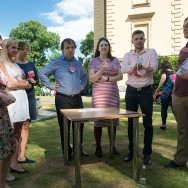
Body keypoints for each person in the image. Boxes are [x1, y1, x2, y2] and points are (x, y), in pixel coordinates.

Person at [39, 38, 88, 160]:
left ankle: (78, 149)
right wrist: (50, 86)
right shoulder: (56, 62)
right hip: (62, 99)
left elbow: (85, 75)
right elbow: (42, 73)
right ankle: (67, 152)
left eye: (72, 47)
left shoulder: (77, 63)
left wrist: (82, 85)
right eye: (67, 47)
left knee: (79, 125)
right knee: (64, 126)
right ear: (62, 50)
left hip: (77, 98)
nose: (70, 50)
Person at [121, 30, 158, 165]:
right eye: (136, 39)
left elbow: (153, 68)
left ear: (145, 39)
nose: (139, 41)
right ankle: (132, 151)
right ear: (132, 41)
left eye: (141, 38)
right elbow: (124, 69)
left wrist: (140, 66)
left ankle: (147, 153)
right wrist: (136, 66)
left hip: (146, 92)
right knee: (131, 123)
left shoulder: (151, 52)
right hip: (131, 92)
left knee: (147, 123)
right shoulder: (127, 55)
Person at [88, 37, 123, 158]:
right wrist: (102, 70)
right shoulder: (93, 61)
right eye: (101, 45)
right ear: (98, 48)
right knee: (98, 121)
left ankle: (112, 145)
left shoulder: (115, 61)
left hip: (112, 94)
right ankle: (98, 146)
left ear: (109, 48)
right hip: (99, 95)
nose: (103, 47)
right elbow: (92, 79)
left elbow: (120, 76)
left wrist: (108, 79)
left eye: (106, 45)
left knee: (112, 121)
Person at [1, 38, 31, 174]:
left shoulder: (15, 64)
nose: (15, 50)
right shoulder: (2, 64)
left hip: (21, 100)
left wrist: (24, 83)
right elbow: (10, 84)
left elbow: (21, 79)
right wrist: (24, 84)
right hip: (12, 100)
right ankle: (5, 171)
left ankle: (14, 163)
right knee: (11, 134)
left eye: (16, 48)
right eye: (13, 47)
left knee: (18, 133)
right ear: (6, 48)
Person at [165, 17, 188, 168]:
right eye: (183, 26)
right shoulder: (184, 48)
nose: (184, 28)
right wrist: (174, 91)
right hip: (179, 95)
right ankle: (180, 160)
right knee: (182, 130)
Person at [17, 41, 39, 163]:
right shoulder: (13, 65)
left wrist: (33, 81)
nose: (25, 51)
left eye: (27, 49)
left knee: (26, 124)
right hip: (19, 96)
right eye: (23, 49)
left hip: (30, 96)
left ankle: (22, 156)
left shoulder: (31, 64)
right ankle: (14, 157)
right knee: (17, 125)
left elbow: (37, 80)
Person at [0, 35, 16, 188]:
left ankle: (2, 182)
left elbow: (7, 84)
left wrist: (7, 95)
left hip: (3, 112)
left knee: (9, 147)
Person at [154, 61, 176, 130]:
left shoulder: (164, 72)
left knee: (164, 109)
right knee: (174, 109)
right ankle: (180, 124)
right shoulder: (174, 73)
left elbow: (163, 78)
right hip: (173, 93)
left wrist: (158, 88)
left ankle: (163, 125)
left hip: (165, 93)